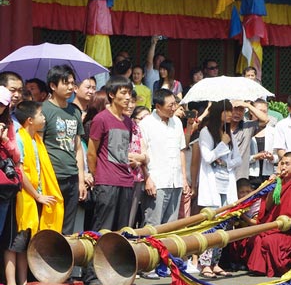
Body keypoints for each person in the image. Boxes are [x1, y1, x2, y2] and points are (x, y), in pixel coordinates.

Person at [5, 100, 60, 285]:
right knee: (15, 242)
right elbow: (20, 171)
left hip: (36, 196)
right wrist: (37, 195)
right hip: (22, 198)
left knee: (26, 243)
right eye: (41, 115)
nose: (44, 118)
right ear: (30, 120)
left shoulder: (36, 139)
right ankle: (12, 284)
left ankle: (24, 282)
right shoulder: (20, 139)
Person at [247, 152, 291, 277]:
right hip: (273, 225)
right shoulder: (278, 183)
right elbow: (267, 207)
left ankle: (280, 268)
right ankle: (260, 269)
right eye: (282, 163)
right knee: (257, 238)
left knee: (269, 240)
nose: (283, 167)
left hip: (287, 229)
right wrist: (271, 186)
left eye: (287, 164)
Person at [41, 65, 87, 236]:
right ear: (53, 86)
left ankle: (62, 260)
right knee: (50, 224)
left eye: (72, 83)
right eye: (65, 83)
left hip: (72, 177)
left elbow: (78, 147)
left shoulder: (74, 111)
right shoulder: (44, 110)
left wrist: (81, 180)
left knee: (68, 226)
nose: (70, 87)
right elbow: (38, 146)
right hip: (51, 177)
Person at [197, 100, 241, 278]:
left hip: (226, 182)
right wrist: (222, 144)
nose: (230, 114)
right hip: (212, 183)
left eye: (231, 111)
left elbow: (237, 159)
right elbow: (207, 157)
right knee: (211, 225)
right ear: (218, 112)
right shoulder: (206, 132)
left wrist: (227, 162)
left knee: (224, 225)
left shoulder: (228, 132)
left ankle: (216, 262)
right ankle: (204, 263)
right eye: (227, 111)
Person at [87, 76, 135, 233]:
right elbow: (92, 151)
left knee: (122, 231)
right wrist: (97, 175)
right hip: (106, 181)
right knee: (102, 229)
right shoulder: (101, 119)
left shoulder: (128, 121)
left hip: (126, 181)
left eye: (130, 93)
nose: (128, 97)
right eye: (124, 93)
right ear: (112, 95)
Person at [140, 88, 189, 226]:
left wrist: (184, 179)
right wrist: (147, 178)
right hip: (157, 182)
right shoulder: (146, 124)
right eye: (170, 105)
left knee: (171, 226)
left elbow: (181, 151)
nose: (174, 108)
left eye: (175, 104)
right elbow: (142, 154)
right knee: (152, 225)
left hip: (176, 181)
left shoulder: (177, 122)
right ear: (158, 107)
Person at [248, 99, 278, 188]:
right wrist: (254, 157)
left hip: (268, 176)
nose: (261, 114)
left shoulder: (273, 132)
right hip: (249, 176)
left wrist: (271, 157)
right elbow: (241, 157)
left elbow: (279, 156)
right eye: (258, 111)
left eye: (264, 111)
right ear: (251, 112)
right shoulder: (245, 131)